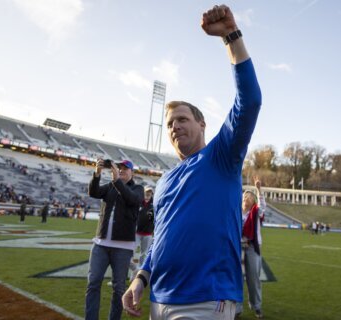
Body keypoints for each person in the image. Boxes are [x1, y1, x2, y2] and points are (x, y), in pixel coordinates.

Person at [122, 4, 262, 319]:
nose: (175, 126)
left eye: (182, 119)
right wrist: (141, 280)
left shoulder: (221, 157)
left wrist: (231, 36)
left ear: (202, 125)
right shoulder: (163, 183)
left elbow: (250, 101)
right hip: (159, 299)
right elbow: (160, 241)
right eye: (170, 123)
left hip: (206, 299)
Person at [85, 159, 143, 320]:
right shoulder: (111, 186)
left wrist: (117, 180)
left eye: (126, 168)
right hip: (101, 244)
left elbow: (132, 199)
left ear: (133, 173)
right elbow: (93, 192)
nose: (122, 170)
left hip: (123, 247)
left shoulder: (138, 188)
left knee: (119, 289)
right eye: (120, 168)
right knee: (93, 283)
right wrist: (97, 173)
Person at [236, 177, 265, 319]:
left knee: (253, 279)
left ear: (253, 201)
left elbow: (263, 207)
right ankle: (237, 308)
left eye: (249, 197)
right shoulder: (235, 212)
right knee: (238, 279)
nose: (246, 199)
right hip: (237, 249)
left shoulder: (255, 213)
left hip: (252, 248)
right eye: (244, 197)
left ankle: (256, 306)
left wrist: (258, 189)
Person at [129, 186, 155, 279]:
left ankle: (139, 276)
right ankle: (134, 270)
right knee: (129, 253)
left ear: (152, 194)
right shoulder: (138, 202)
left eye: (150, 193)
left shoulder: (154, 205)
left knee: (144, 255)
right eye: (146, 193)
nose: (148, 195)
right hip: (136, 232)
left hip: (148, 234)